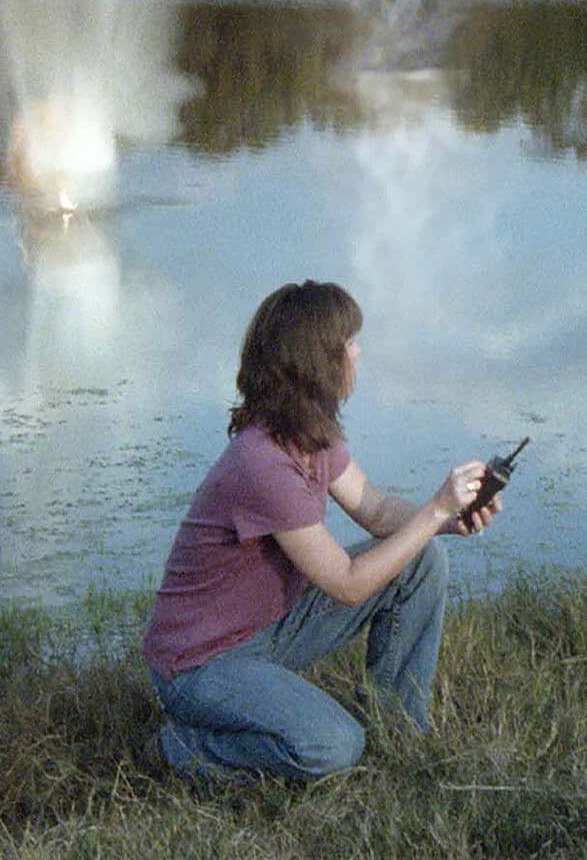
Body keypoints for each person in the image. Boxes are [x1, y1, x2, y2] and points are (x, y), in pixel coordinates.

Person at [140, 280, 499, 781]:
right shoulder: (262, 463)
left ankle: (399, 727)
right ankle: (177, 748)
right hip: (200, 663)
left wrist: (445, 522)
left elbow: (375, 508)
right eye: (350, 342)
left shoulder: (310, 434)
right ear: (319, 360)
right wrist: (434, 513)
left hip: (271, 627)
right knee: (331, 746)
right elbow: (346, 585)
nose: (359, 352)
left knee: (422, 559)